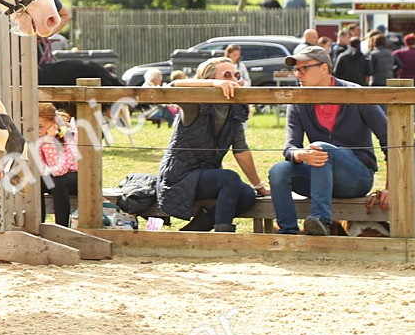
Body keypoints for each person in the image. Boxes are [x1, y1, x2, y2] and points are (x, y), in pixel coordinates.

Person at [268, 46, 388, 235]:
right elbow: (290, 148)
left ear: (324, 68)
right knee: (278, 171)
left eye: (304, 69)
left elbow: (390, 139)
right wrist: (300, 154)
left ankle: (321, 221)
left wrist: (391, 188)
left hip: (357, 178)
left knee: (321, 148)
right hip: (318, 176)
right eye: (296, 70)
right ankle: (288, 232)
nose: (298, 74)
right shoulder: (298, 102)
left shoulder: (356, 93)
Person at [156, 57, 264, 232]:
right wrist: (214, 84)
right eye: (226, 75)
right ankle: (223, 234)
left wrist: (259, 187)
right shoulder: (195, 104)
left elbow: (241, 150)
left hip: (206, 175)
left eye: (235, 75)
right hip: (180, 176)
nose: (233, 79)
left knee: (247, 195)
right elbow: (173, 86)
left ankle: (196, 229)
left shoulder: (234, 110)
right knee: (229, 178)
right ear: (210, 79)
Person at [35, 103, 77, 227]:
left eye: (40, 126)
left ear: (54, 124)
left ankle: (61, 227)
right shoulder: (41, 138)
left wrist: (50, 143)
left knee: (58, 182)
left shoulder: (68, 136)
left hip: (77, 176)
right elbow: (40, 169)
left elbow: (60, 170)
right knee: (37, 182)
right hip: (59, 176)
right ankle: (38, 225)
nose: (38, 130)